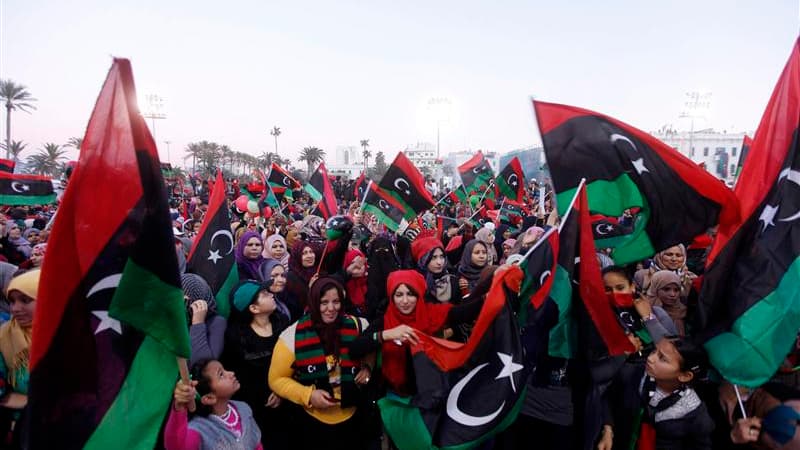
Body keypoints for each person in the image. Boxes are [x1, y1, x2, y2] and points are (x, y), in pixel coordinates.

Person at [268, 277, 371, 449]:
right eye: (324, 302)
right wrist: (308, 395)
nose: (331, 308)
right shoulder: (291, 337)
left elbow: (370, 351)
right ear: (314, 302)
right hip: (314, 421)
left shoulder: (358, 325)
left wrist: (367, 367)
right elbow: (276, 379)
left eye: (336, 301)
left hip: (355, 414)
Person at [350, 269, 490, 396]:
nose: (405, 301)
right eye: (399, 295)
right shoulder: (384, 322)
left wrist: (490, 292)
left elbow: (464, 312)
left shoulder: (432, 314)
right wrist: (386, 335)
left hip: (432, 392)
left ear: (419, 295)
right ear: (392, 297)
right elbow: (355, 348)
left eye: (410, 294)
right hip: (396, 395)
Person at [223, 280, 290, 450]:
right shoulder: (236, 337)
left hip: (288, 399)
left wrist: (281, 389)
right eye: (265, 294)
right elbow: (238, 375)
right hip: (258, 409)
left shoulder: (282, 323)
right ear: (253, 308)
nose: (271, 295)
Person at [164, 359, 262, 450]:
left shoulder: (244, 409)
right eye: (221, 375)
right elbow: (177, 447)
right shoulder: (201, 429)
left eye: (225, 370)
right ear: (209, 398)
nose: (231, 373)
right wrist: (180, 406)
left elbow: (256, 444)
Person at [181, 273, 226, 367]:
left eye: (185, 301)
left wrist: (198, 324)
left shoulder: (216, 323)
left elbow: (202, 363)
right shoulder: (175, 321)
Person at [645, 271, 688, 336]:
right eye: (666, 289)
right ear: (655, 288)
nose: (672, 294)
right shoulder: (646, 310)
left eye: (676, 290)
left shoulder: (681, 310)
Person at [285, 240, 324, 312]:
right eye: (304, 253)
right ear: (297, 256)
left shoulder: (319, 272)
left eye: (311, 252)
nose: (309, 256)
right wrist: (310, 288)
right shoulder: (291, 278)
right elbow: (296, 306)